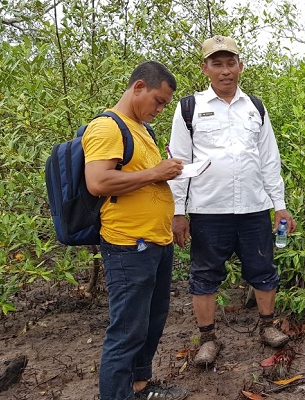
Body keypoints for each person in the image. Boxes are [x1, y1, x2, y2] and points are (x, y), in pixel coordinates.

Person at [168, 35, 297, 367]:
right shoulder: (189, 108)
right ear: (205, 68)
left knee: (263, 269)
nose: (225, 71)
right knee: (205, 275)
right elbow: (179, 165)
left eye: (230, 63)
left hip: (254, 208)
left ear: (240, 67)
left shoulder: (255, 107)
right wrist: (178, 212)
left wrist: (279, 205)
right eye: (217, 64)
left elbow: (269, 159)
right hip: (209, 210)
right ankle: (208, 339)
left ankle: (268, 327)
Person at [83, 61, 188, 400]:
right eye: (158, 100)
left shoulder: (142, 128)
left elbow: (147, 179)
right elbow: (98, 181)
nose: (160, 109)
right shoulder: (107, 127)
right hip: (128, 245)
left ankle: (140, 386)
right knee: (127, 331)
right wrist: (156, 173)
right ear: (139, 87)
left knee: (152, 322)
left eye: (164, 105)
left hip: (156, 241)